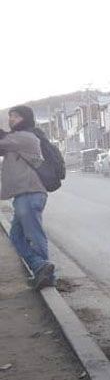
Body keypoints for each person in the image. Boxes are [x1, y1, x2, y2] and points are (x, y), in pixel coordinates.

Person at [0, 106, 56, 289]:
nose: (11, 120)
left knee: (34, 235)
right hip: (23, 195)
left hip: (30, 193)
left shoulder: (25, 137)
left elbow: (2, 141)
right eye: (10, 116)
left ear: (25, 118)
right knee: (16, 236)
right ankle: (40, 267)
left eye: (15, 116)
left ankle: (47, 274)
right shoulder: (15, 139)